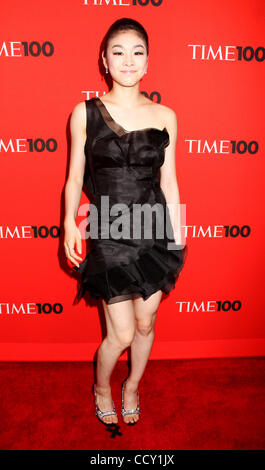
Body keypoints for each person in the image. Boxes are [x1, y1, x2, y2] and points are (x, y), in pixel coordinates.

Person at [64, 18, 187, 426]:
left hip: (154, 229)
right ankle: (101, 387)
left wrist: (179, 233)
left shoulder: (166, 115)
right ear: (104, 60)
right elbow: (73, 178)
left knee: (146, 321)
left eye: (137, 52)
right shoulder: (84, 113)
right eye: (118, 51)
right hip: (110, 231)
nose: (128, 60)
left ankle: (132, 385)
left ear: (148, 61)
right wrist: (68, 221)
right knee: (118, 333)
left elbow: (169, 182)